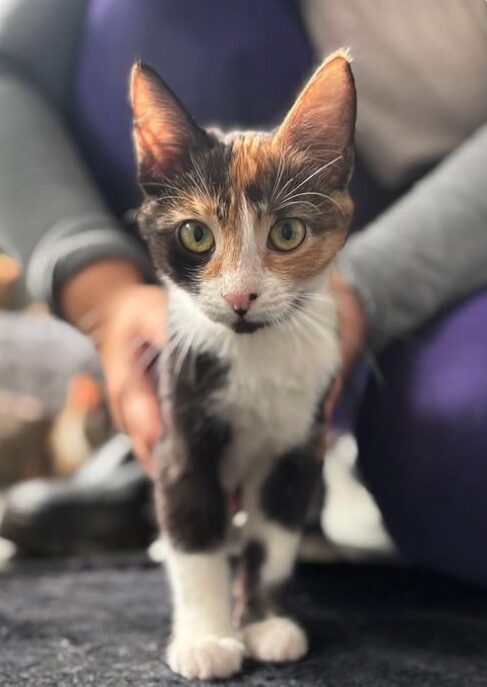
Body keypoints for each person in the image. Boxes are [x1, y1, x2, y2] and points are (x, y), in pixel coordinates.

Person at [1, 0, 487, 583]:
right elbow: (12, 74)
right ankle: (184, 436)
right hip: (256, 205)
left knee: (461, 460)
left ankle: (307, 457)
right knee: (143, 16)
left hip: (457, 242)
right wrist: (101, 292)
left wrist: (363, 289)